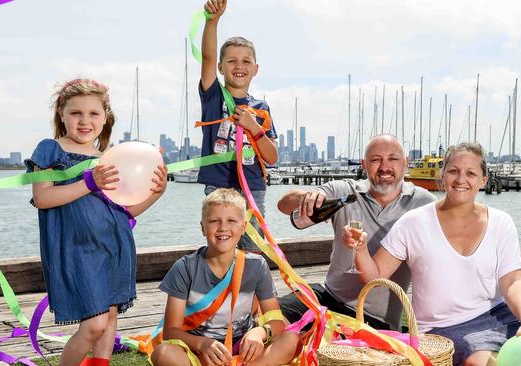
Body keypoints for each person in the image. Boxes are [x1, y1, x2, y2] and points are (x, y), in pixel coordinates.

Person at [345, 142, 521, 366]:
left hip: (497, 313)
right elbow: (375, 277)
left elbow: (512, 281)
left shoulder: (502, 222)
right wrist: (361, 249)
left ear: (483, 180)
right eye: (453, 171)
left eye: (470, 173)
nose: (461, 179)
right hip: (442, 327)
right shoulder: (413, 223)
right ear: (442, 176)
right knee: (483, 363)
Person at [26, 78, 168, 366]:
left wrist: (156, 193)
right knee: (94, 325)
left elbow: (124, 211)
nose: (84, 121)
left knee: (110, 317)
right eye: (76, 113)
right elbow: (43, 198)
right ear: (61, 115)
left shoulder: (109, 157)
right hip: (77, 249)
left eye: (93, 113)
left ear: (105, 118)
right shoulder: (51, 150)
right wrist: (89, 182)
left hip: (114, 246)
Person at [277, 134, 436, 330]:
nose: (384, 167)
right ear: (364, 165)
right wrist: (309, 196)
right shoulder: (345, 190)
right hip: (328, 297)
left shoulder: (423, 203)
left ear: (405, 163)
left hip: (376, 319)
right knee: (272, 316)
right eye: (376, 159)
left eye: (392, 159)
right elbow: (283, 205)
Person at [150, 188, 299, 366]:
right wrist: (202, 344)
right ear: (203, 227)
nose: (223, 228)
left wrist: (260, 332)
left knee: (291, 340)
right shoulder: (184, 268)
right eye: (214, 221)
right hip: (198, 350)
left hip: (243, 349)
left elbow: (276, 322)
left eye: (231, 221)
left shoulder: (257, 265)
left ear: (244, 227)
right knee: (163, 354)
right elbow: (170, 331)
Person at [197, 0, 278, 252]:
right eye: (231, 61)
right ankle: (223, 291)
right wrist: (213, 21)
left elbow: (272, 157)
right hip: (218, 188)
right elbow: (208, 57)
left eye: (245, 61)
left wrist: (255, 128)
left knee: (252, 251)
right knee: (221, 248)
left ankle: (249, 291)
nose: (239, 66)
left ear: (255, 69)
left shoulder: (261, 107)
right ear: (221, 68)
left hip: (252, 190)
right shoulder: (214, 97)